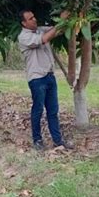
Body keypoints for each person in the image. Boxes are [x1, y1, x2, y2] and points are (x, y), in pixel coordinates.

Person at [18, 9, 72, 151]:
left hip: (49, 76)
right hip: (37, 78)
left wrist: (66, 20)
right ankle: (37, 140)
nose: (34, 19)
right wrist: (60, 20)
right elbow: (44, 39)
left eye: (34, 16)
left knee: (53, 110)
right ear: (23, 23)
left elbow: (57, 31)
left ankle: (58, 140)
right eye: (30, 19)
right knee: (38, 110)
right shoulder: (23, 37)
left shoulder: (40, 30)